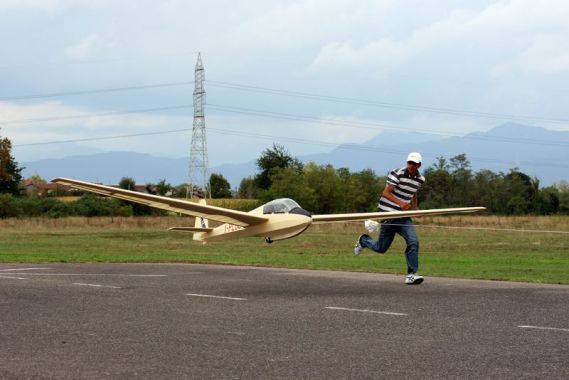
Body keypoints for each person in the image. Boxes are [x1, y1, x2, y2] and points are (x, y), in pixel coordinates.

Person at [354, 152, 426, 285]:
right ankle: (364, 240)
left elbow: (413, 192)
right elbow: (386, 193)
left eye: (414, 164)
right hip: (388, 215)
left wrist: (415, 208)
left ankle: (411, 275)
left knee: (413, 242)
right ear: (407, 163)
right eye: (409, 163)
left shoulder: (420, 179)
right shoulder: (397, 173)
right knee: (381, 248)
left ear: (419, 165)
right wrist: (400, 203)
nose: (411, 165)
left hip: (404, 217)